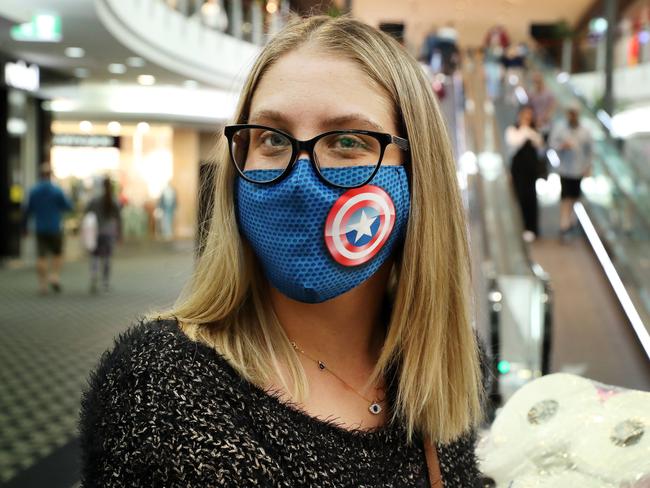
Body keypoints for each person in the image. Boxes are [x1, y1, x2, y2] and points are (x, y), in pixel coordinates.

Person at [79, 15, 484, 487]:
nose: (299, 179)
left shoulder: (440, 362)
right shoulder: (163, 385)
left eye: (348, 141)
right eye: (272, 138)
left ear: (419, 176)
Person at [24, 163, 73, 294]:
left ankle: (43, 285)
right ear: (51, 175)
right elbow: (68, 206)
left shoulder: (33, 191)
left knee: (41, 256)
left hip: (40, 227)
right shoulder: (57, 190)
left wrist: (24, 227)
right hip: (55, 226)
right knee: (57, 254)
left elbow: (28, 210)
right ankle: (55, 277)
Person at [549, 105, 593, 240]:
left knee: (574, 197)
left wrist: (588, 167)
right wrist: (562, 146)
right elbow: (552, 143)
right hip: (565, 169)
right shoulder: (560, 128)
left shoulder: (585, 130)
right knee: (565, 197)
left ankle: (571, 221)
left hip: (578, 170)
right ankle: (564, 224)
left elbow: (590, 150)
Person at [505, 106, 544, 242]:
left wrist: (528, 132)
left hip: (531, 171)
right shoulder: (513, 130)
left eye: (529, 115)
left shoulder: (534, 131)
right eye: (525, 115)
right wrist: (526, 131)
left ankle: (531, 228)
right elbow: (513, 142)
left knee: (531, 198)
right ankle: (520, 228)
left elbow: (540, 144)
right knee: (519, 197)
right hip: (518, 170)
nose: (527, 118)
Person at [85, 177, 121, 293]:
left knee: (95, 256)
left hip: (95, 232)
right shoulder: (114, 200)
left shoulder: (94, 200)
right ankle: (105, 282)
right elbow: (119, 219)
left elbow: (86, 213)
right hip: (108, 233)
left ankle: (93, 278)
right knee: (106, 257)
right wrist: (120, 234)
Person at [528, 72, 556, 139]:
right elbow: (529, 108)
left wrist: (543, 119)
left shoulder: (549, 93)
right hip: (534, 123)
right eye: (535, 81)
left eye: (538, 81)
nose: (536, 83)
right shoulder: (531, 93)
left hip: (546, 124)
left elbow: (552, 108)